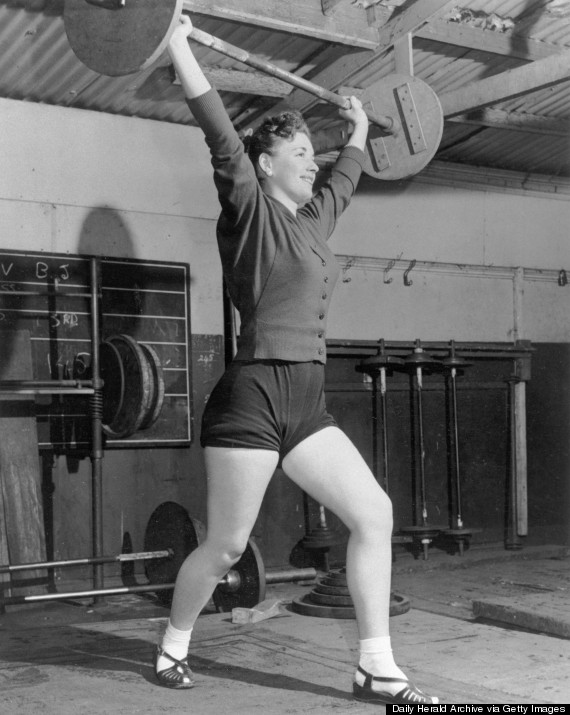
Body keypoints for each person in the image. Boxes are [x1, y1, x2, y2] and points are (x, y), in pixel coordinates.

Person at [156, 15, 439, 706]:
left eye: (314, 150)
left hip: (306, 403)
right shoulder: (250, 209)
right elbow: (218, 131)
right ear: (266, 164)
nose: (313, 160)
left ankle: (375, 666)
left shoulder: (313, 221)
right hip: (252, 398)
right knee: (226, 546)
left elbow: (347, 176)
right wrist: (178, 46)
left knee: (373, 513)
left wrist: (360, 129)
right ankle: (172, 643)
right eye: (301, 151)